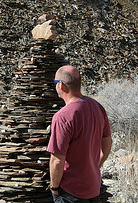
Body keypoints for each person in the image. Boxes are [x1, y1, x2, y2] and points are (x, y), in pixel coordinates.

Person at [47, 65, 112, 203]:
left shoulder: (63, 117)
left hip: (71, 192)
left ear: (61, 85)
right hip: (93, 187)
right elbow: (107, 144)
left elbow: (57, 160)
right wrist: (95, 166)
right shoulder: (98, 107)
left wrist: (54, 188)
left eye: (55, 83)